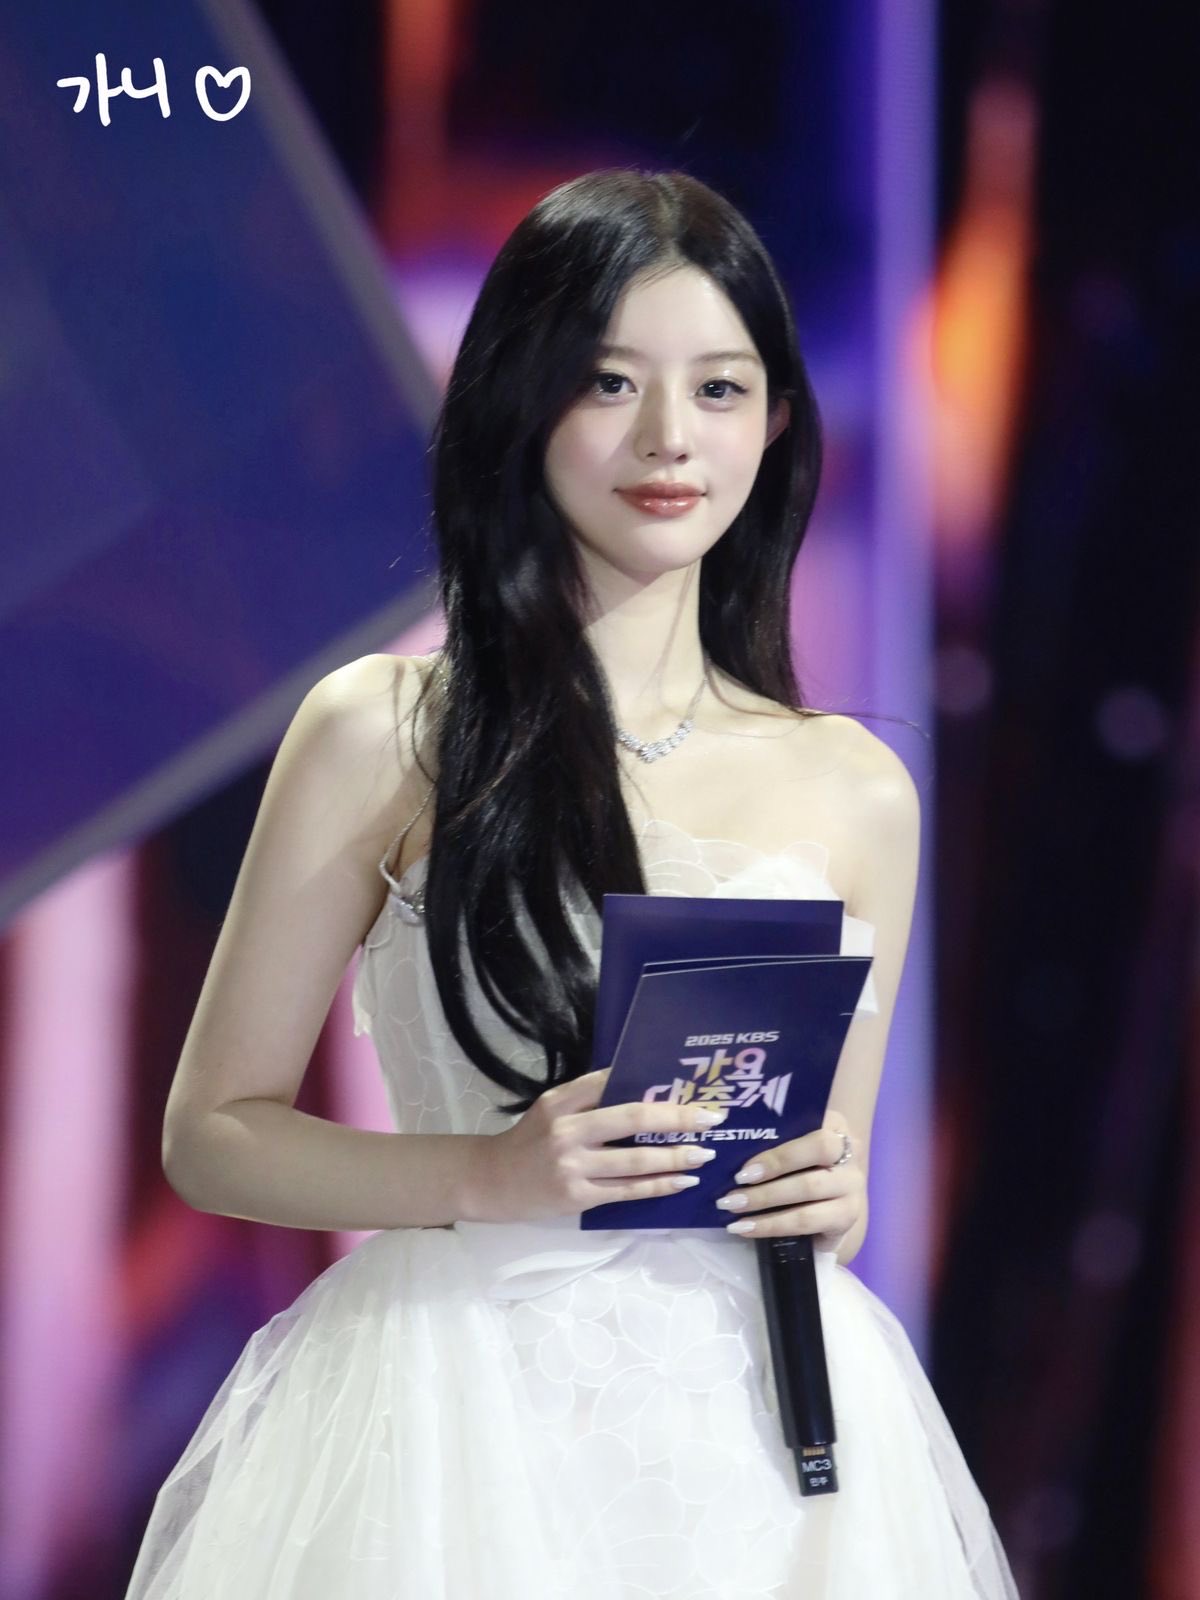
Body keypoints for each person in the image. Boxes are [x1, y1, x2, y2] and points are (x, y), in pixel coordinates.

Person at [125, 168, 1018, 1598]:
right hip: (450, 1420)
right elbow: (212, 1133)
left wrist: (830, 1189)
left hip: (754, 1444)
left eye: (720, 389)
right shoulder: (383, 731)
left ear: (778, 422)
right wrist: (486, 1175)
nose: (671, 437)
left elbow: (825, 1183)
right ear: (520, 400)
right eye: (611, 381)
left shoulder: (856, 787)